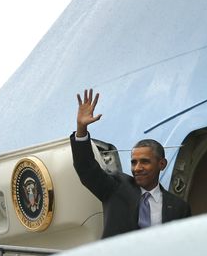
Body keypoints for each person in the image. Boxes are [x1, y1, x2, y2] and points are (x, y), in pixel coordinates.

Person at [70, 88, 191, 239]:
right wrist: (81, 129)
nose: (137, 168)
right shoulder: (116, 188)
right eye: (134, 162)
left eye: (145, 162)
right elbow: (86, 168)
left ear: (161, 164)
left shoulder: (179, 208)